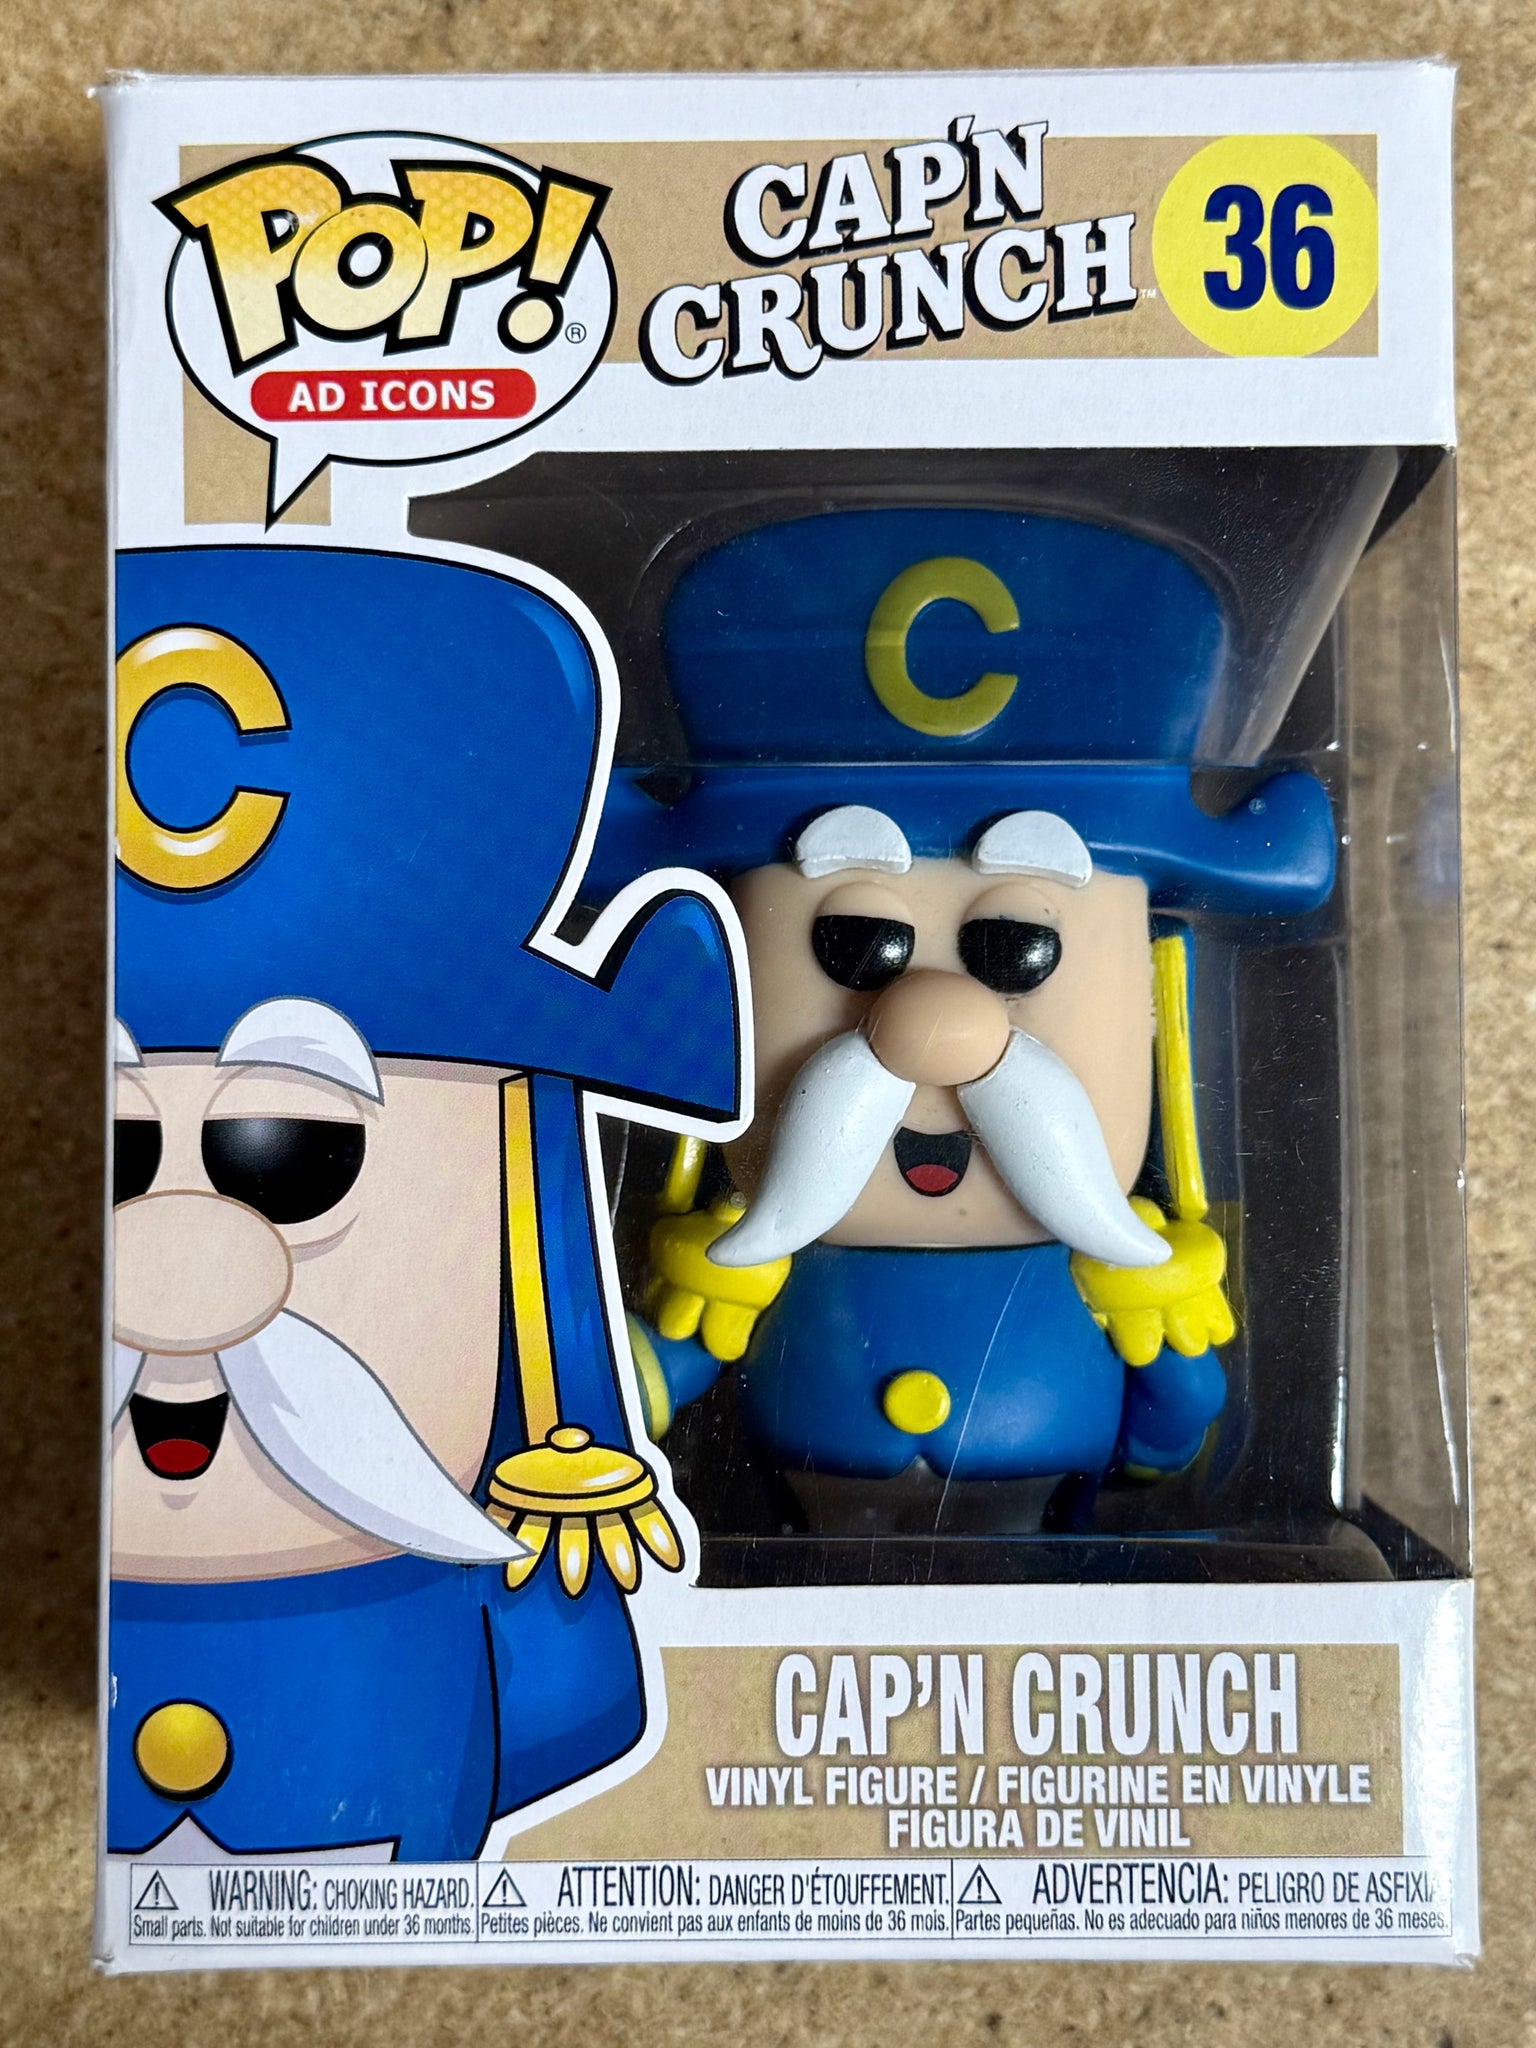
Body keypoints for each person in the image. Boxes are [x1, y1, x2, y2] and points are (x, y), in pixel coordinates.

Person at [108, 542, 743, 1860]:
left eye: (287, 1156)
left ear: (521, 1197)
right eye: (101, 1158)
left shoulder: (508, 1643)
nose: (162, 1277)